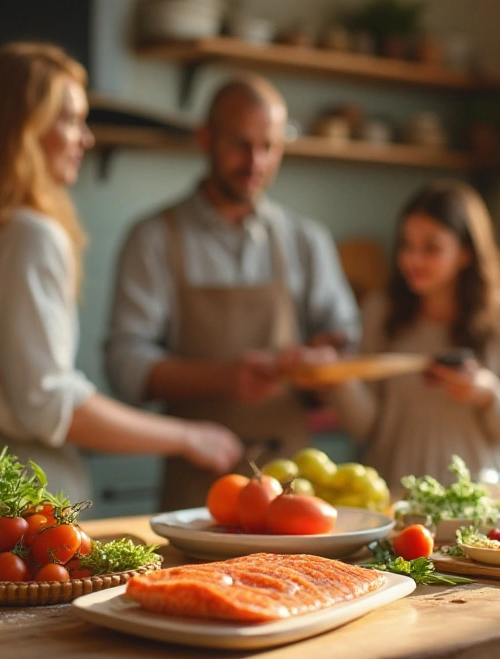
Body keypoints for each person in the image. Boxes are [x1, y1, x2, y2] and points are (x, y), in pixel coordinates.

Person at [0, 43, 242, 518]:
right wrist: (187, 436)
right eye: (69, 119)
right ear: (20, 130)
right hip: (14, 495)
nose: (85, 138)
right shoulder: (31, 234)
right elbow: (48, 402)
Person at [105, 74, 360, 510]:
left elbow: (344, 342)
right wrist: (224, 377)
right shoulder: (152, 239)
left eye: (269, 147)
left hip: (294, 489)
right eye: (240, 144)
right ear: (206, 139)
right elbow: (126, 368)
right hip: (197, 489)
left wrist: (322, 361)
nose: (255, 162)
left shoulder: (306, 239)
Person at [328, 180, 500, 486]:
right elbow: (364, 427)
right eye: (406, 246)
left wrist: (487, 394)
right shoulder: (379, 311)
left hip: (479, 497)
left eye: (431, 247)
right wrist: (338, 375)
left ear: (466, 252)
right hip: (395, 495)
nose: (413, 260)